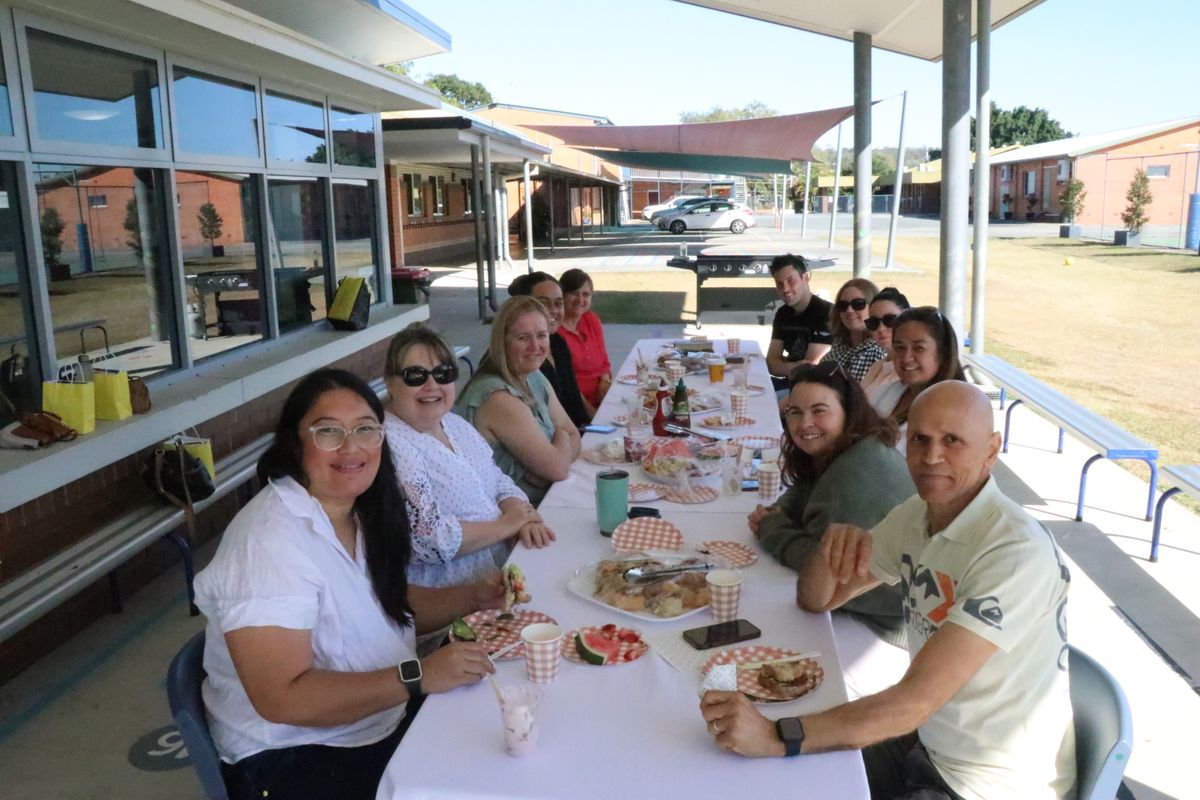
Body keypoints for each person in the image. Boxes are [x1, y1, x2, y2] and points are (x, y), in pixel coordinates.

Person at [701, 381, 1075, 800]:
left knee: (780, 756)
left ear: (991, 449)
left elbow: (915, 701)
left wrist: (775, 735)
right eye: (920, 439)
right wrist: (830, 547)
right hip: (928, 745)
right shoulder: (918, 515)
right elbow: (816, 599)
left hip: (986, 785)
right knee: (757, 782)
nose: (932, 457)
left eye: (952, 441)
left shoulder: (1014, 552)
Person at [194, 369, 499, 800]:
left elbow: (389, 603)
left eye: (365, 429)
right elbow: (283, 699)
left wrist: (477, 595)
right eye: (328, 432)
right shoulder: (268, 543)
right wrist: (419, 676)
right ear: (295, 443)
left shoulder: (354, 511)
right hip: (294, 758)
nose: (351, 446)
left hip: (375, 720)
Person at [749, 362, 914, 646]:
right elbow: (810, 487)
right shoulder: (861, 444)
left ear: (848, 411)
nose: (804, 424)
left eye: (819, 411)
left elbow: (820, 569)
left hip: (889, 627)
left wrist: (772, 528)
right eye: (795, 412)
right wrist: (782, 510)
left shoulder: (852, 479)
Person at [383, 324, 555, 591]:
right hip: (452, 600)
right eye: (415, 376)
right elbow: (427, 539)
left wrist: (520, 514)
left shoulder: (453, 423)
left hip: (502, 572)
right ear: (390, 383)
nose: (432, 385)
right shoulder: (391, 443)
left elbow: (497, 480)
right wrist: (506, 526)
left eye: (443, 373)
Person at [455, 296, 581, 505]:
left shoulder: (533, 376)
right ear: (502, 341)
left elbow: (574, 433)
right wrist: (562, 437)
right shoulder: (496, 397)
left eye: (541, 336)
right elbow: (558, 468)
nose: (535, 346)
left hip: (546, 500)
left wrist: (558, 449)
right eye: (523, 338)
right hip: (515, 519)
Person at [869, 307, 966, 447]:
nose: (906, 358)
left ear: (942, 352)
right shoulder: (885, 390)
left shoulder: (957, 412)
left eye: (919, 348)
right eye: (900, 347)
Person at [508, 272, 590, 427]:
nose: (553, 310)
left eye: (559, 303)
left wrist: (592, 426)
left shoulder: (558, 343)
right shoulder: (525, 356)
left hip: (577, 434)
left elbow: (575, 401)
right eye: (543, 303)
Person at [766, 254, 833, 394]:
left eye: (791, 281)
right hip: (789, 383)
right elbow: (771, 363)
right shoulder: (783, 314)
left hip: (815, 388)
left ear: (805, 278)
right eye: (779, 284)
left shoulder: (826, 313)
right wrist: (794, 366)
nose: (785, 289)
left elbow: (810, 368)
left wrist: (784, 365)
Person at [558, 268, 613, 415]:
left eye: (586, 294)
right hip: (575, 408)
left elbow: (604, 363)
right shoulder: (555, 333)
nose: (580, 299)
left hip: (602, 399)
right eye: (574, 293)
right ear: (562, 295)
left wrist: (605, 380)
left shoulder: (591, 320)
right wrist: (592, 414)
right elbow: (567, 385)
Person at [821, 278, 888, 380]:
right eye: (843, 305)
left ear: (874, 307)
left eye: (858, 304)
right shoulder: (837, 349)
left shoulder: (880, 354)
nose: (849, 310)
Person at [860, 287, 912, 400]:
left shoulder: (913, 369)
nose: (881, 328)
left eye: (890, 320)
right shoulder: (876, 367)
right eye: (873, 323)